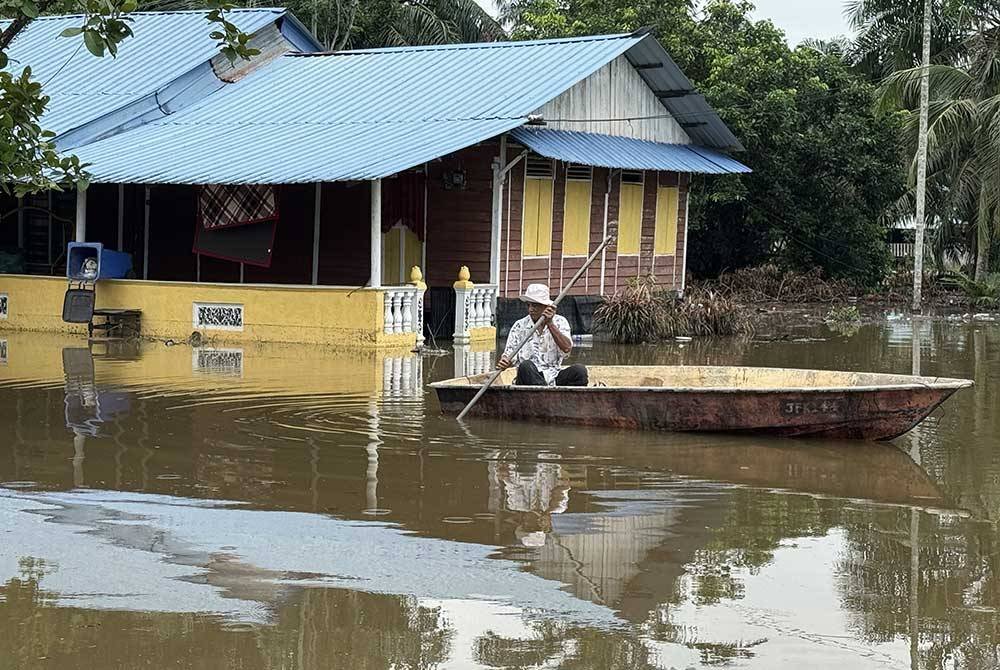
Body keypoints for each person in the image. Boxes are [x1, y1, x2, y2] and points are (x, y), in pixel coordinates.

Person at [497, 283, 588, 386]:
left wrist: (550, 324)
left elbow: (567, 349)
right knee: (526, 365)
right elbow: (509, 356)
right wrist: (505, 362)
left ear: (546, 306)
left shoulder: (560, 322)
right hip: (528, 378)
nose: (531, 309)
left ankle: (550, 395)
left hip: (554, 377)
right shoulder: (519, 326)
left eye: (535, 305)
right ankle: (545, 395)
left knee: (580, 371)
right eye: (529, 305)